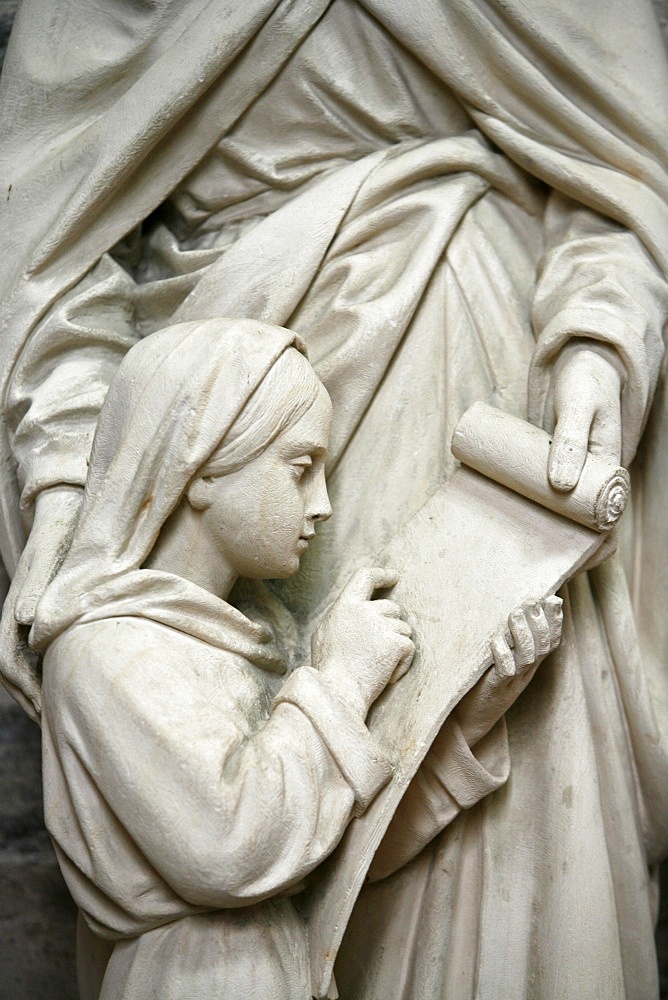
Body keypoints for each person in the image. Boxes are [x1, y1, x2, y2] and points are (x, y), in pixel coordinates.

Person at [0, 1, 667, 996]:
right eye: (300, 483)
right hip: (233, 361)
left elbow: (619, 167)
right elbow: (41, 243)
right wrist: (71, 488)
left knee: (520, 855)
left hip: (500, 394)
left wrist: (596, 341)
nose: (316, 504)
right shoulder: (137, 646)